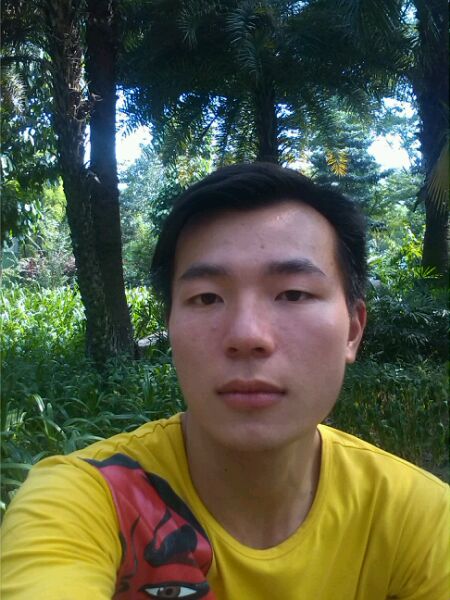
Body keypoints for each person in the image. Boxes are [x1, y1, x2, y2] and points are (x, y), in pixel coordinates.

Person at [1, 162, 448, 599]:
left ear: (352, 329)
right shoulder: (85, 499)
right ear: (169, 326)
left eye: (293, 293)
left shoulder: (419, 518)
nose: (247, 336)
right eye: (207, 298)